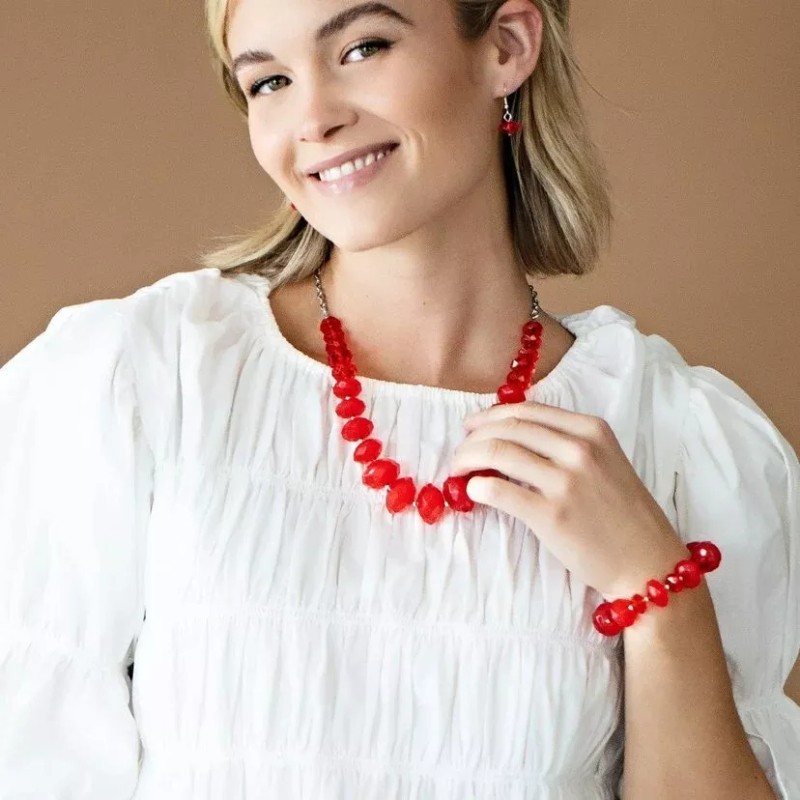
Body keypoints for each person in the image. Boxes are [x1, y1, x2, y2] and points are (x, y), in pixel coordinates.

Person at [0, 0, 797, 797]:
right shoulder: (143, 380)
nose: (313, 118)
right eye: (269, 81)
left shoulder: (676, 439)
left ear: (506, 46)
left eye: (362, 48)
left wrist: (657, 590)